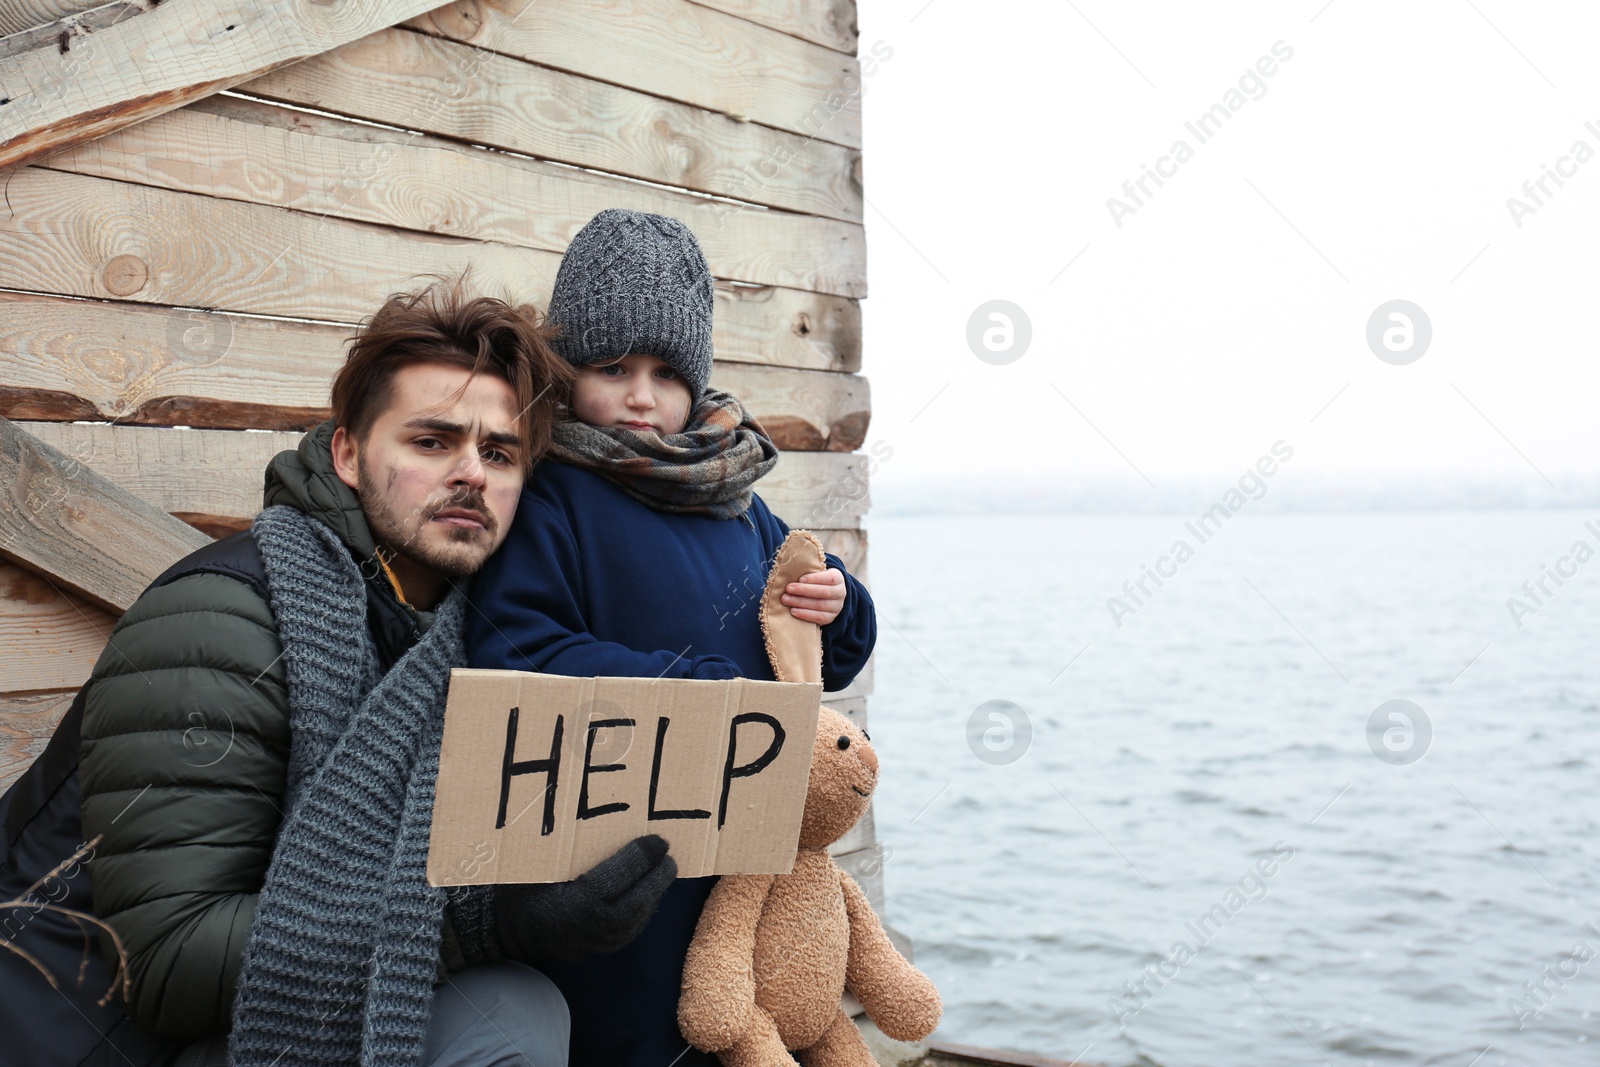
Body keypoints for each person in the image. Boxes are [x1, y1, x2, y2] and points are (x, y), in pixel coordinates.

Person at [0, 278, 677, 1067]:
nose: (472, 473)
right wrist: (482, 919)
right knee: (508, 1011)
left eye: (499, 452)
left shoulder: (462, 632)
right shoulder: (225, 621)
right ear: (349, 453)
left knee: (521, 1003)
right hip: (83, 1035)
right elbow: (170, 962)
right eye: (431, 441)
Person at [466, 210, 878, 1066]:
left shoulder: (738, 498)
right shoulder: (552, 500)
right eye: (612, 368)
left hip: (740, 852)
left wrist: (840, 608)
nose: (642, 395)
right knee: (635, 1026)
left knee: (743, 1022)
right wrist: (683, 689)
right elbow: (518, 649)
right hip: (617, 848)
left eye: (665, 372)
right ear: (567, 369)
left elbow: (816, 651)